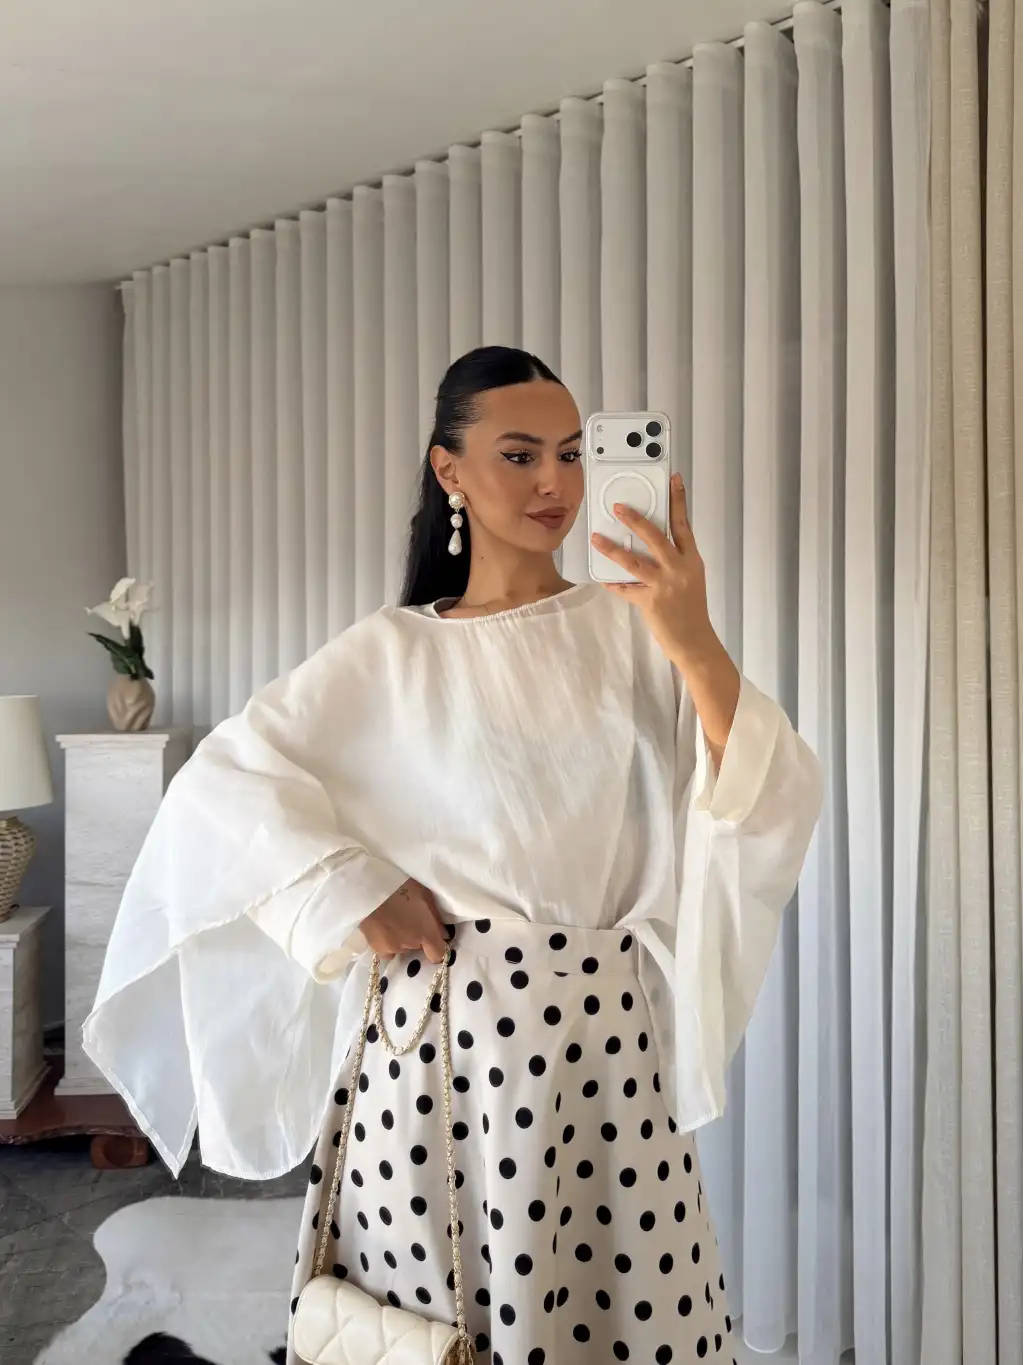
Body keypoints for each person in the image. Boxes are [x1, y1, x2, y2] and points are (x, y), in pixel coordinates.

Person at [84, 345, 822, 1365]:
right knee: (440, 1330)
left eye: (572, 453)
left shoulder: (632, 629)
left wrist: (690, 635)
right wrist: (351, 886)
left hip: (603, 1052)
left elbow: (768, 794)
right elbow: (221, 785)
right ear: (450, 470)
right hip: (433, 1048)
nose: (555, 482)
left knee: (619, 1317)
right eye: (519, 455)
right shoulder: (391, 652)